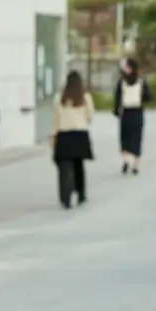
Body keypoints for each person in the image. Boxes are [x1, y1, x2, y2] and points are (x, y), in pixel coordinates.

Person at [51, 71, 95, 208]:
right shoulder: (85, 98)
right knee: (79, 165)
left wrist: (53, 136)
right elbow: (89, 117)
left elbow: (55, 120)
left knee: (65, 167)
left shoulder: (59, 98)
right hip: (80, 134)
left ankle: (66, 197)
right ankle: (81, 194)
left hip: (64, 135)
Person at [114, 58, 151, 174]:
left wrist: (116, 110)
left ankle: (125, 161)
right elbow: (148, 96)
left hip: (126, 112)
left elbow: (117, 98)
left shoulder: (122, 82)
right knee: (137, 137)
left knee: (124, 137)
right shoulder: (141, 82)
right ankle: (135, 164)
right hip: (137, 111)